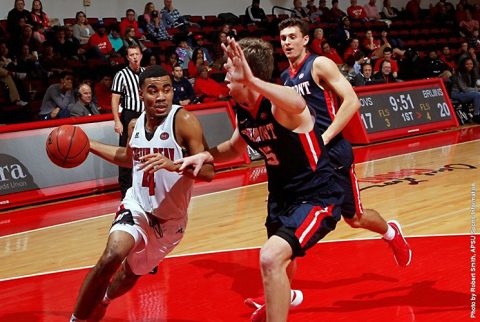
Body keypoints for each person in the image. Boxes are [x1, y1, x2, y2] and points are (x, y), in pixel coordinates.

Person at [242, 17, 412, 314]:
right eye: (282, 38)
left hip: (331, 153)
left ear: (306, 39)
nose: (287, 42)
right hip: (305, 161)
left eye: (293, 36)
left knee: (354, 218)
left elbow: (351, 101)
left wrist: (325, 136)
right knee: (285, 227)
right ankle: (285, 294)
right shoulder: (283, 78)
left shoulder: (319, 65)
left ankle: (391, 233)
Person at [176, 36, 344, 322]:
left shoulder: (279, 104)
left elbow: (298, 102)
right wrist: (205, 155)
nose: (225, 74)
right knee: (281, 259)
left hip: (316, 196)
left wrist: (253, 81)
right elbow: (234, 147)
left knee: (269, 257)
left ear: (248, 74)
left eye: (231, 68)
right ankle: (281, 300)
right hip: (281, 199)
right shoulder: (243, 111)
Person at [70, 65, 215, 322]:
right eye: (153, 90)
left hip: (170, 222)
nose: (161, 96)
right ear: (140, 94)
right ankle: (77, 319)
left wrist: (174, 165)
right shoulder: (135, 124)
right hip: (136, 207)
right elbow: (129, 158)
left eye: (166, 89)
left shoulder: (184, 120)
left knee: (129, 274)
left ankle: (103, 300)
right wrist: (88, 145)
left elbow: (209, 172)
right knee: (112, 255)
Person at [111, 45, 145, 199]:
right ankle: (125, 191)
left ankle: (144, 186)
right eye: (131, 55)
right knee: (127, 151)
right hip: (129, 115)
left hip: (146, 114)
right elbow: (115, 99)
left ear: (141, 55)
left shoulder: (146, 73)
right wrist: (117, 120)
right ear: (127, 58)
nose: (135, 57)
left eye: (137, 54)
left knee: (146, 149)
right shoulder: (121, 75)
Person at [450, 57, 480, 123]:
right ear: (463, 65)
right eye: (467, 64)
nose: (469, 65)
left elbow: (474, 85)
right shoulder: (459, 73)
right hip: (457, 94)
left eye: (471, 64)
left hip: (466, 93)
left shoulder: (472, 73)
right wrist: (477, 89)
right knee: (477, 95)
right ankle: (476, 115)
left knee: (477, 94)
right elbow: (464, 89)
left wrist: (477, 89)